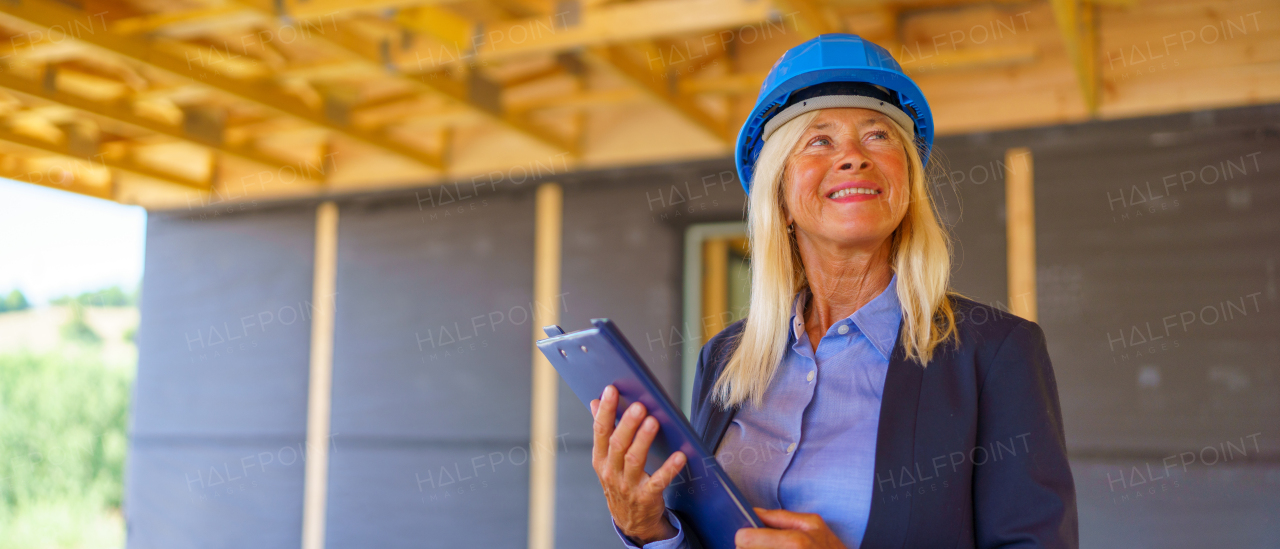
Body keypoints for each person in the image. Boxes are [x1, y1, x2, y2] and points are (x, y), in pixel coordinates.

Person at [588, 34, 1078, 549]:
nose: (853, 157)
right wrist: (649, 530)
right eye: (819, 140)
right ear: (779, 190)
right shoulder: (725, 359)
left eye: (878, 137)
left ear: (906, 181)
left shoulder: (995, 353)